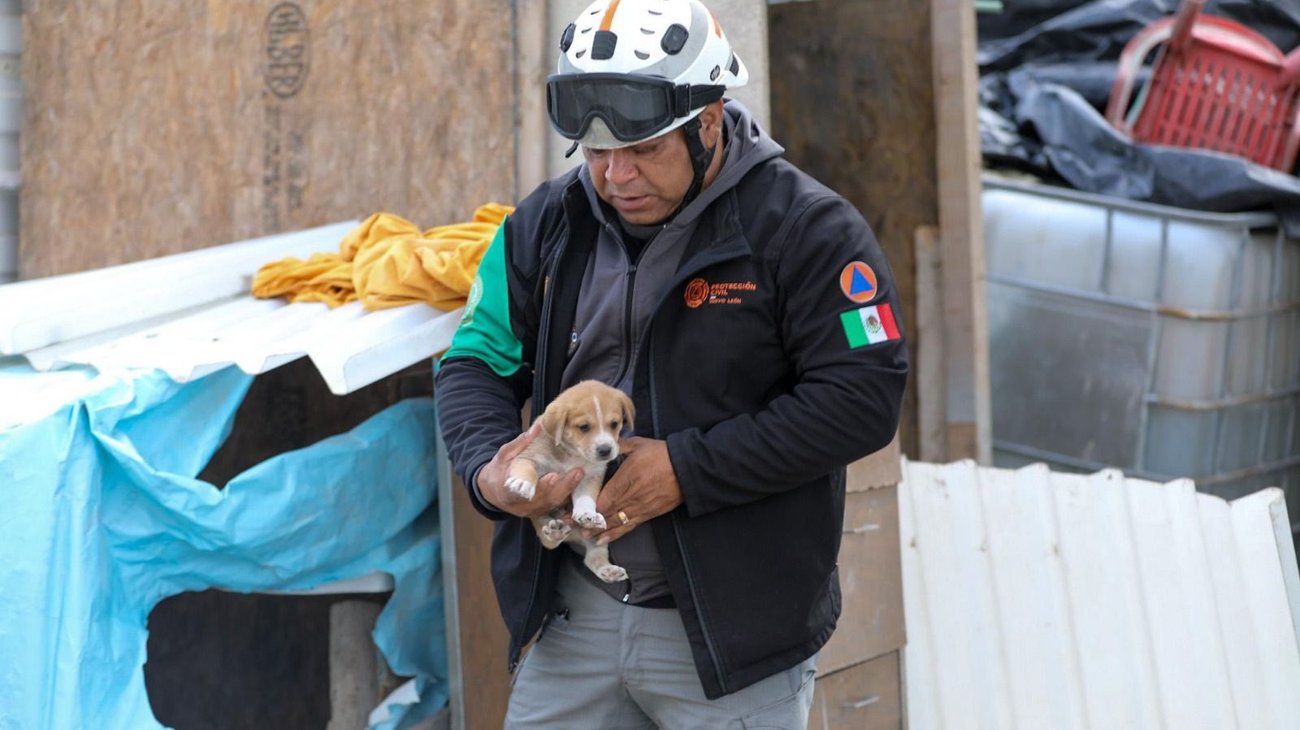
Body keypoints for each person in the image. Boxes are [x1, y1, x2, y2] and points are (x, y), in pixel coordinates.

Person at [434, 0, 908, 726]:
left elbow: (862, 399)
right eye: (594, 153)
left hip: (732, 637)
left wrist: (686, 471)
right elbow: (475, 359)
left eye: (645, 149)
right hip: (574, 615)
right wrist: (486, 473)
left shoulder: (809, 231)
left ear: (709, 121)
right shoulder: (543, 224)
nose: (616, 176)